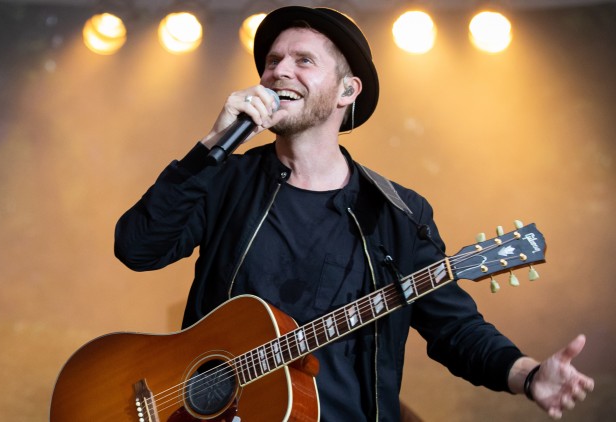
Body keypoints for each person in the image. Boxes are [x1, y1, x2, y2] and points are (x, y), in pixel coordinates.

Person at [114, 6, 592, 421]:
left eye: (304, 61)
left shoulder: (396, 213)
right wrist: (210, 146)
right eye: (273, 61)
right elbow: (137, 248)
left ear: (347, 92)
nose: (280, 71)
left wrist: (528, 376)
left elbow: (454, 329)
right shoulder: (225, 179)